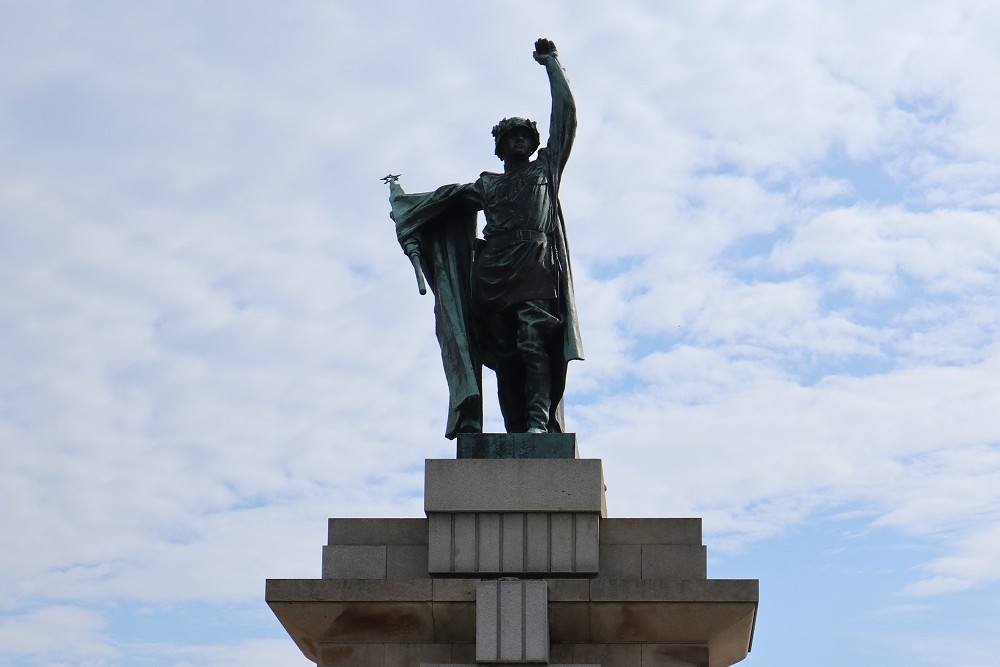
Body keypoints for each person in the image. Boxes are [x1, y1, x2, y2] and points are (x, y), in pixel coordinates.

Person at [387, 38, 582, 437]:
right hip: (492, 271)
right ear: (500, 146)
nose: (520, 141)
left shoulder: (546, 169)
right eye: (512, 137)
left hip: (536, 263)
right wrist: (405, 208)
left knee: (533, 339)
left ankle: (537, 421)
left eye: (526, 136)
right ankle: (515, 425)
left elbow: (567, 116)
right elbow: (441, 201)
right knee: (506, 354)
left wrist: (552, 65)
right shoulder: (487, 185)